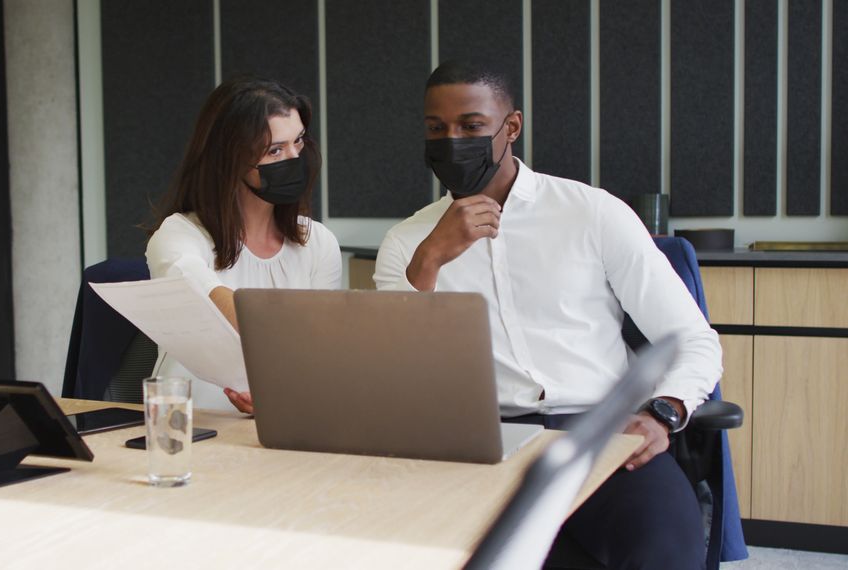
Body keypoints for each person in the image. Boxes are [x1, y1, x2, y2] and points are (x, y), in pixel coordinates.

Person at [374, 59, 722, 569]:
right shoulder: (406, 243)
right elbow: (395, 374)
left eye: (471, 126)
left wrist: (663, 413)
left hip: (603, 437)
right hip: (480, 448)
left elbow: (693, 339)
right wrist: (430, 259)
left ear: (511, 127)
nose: (452, 140)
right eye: (436, 129)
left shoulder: (592, 213)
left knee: (663, 551)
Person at [146, 76, 342, 414]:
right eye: (275, 150)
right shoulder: (178, 234)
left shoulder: (317, 241)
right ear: (231, 159)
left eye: (299, 142)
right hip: (191, 426)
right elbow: (199, 288)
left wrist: (284, 393)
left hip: (284, 422)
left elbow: (321, 354)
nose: (295, 158)